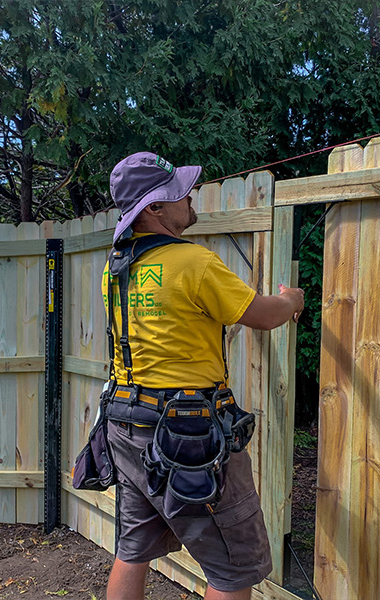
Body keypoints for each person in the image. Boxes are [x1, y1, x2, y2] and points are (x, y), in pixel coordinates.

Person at [102, 152, 305, 600]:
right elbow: (263, 315)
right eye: (179, 193)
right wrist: (291, 300)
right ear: (154, 208)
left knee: (132, 547)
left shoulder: (116, 266)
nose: (190, 196)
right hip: (187, 438)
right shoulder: (193, 263)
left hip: (125, 425)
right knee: (234, 567)